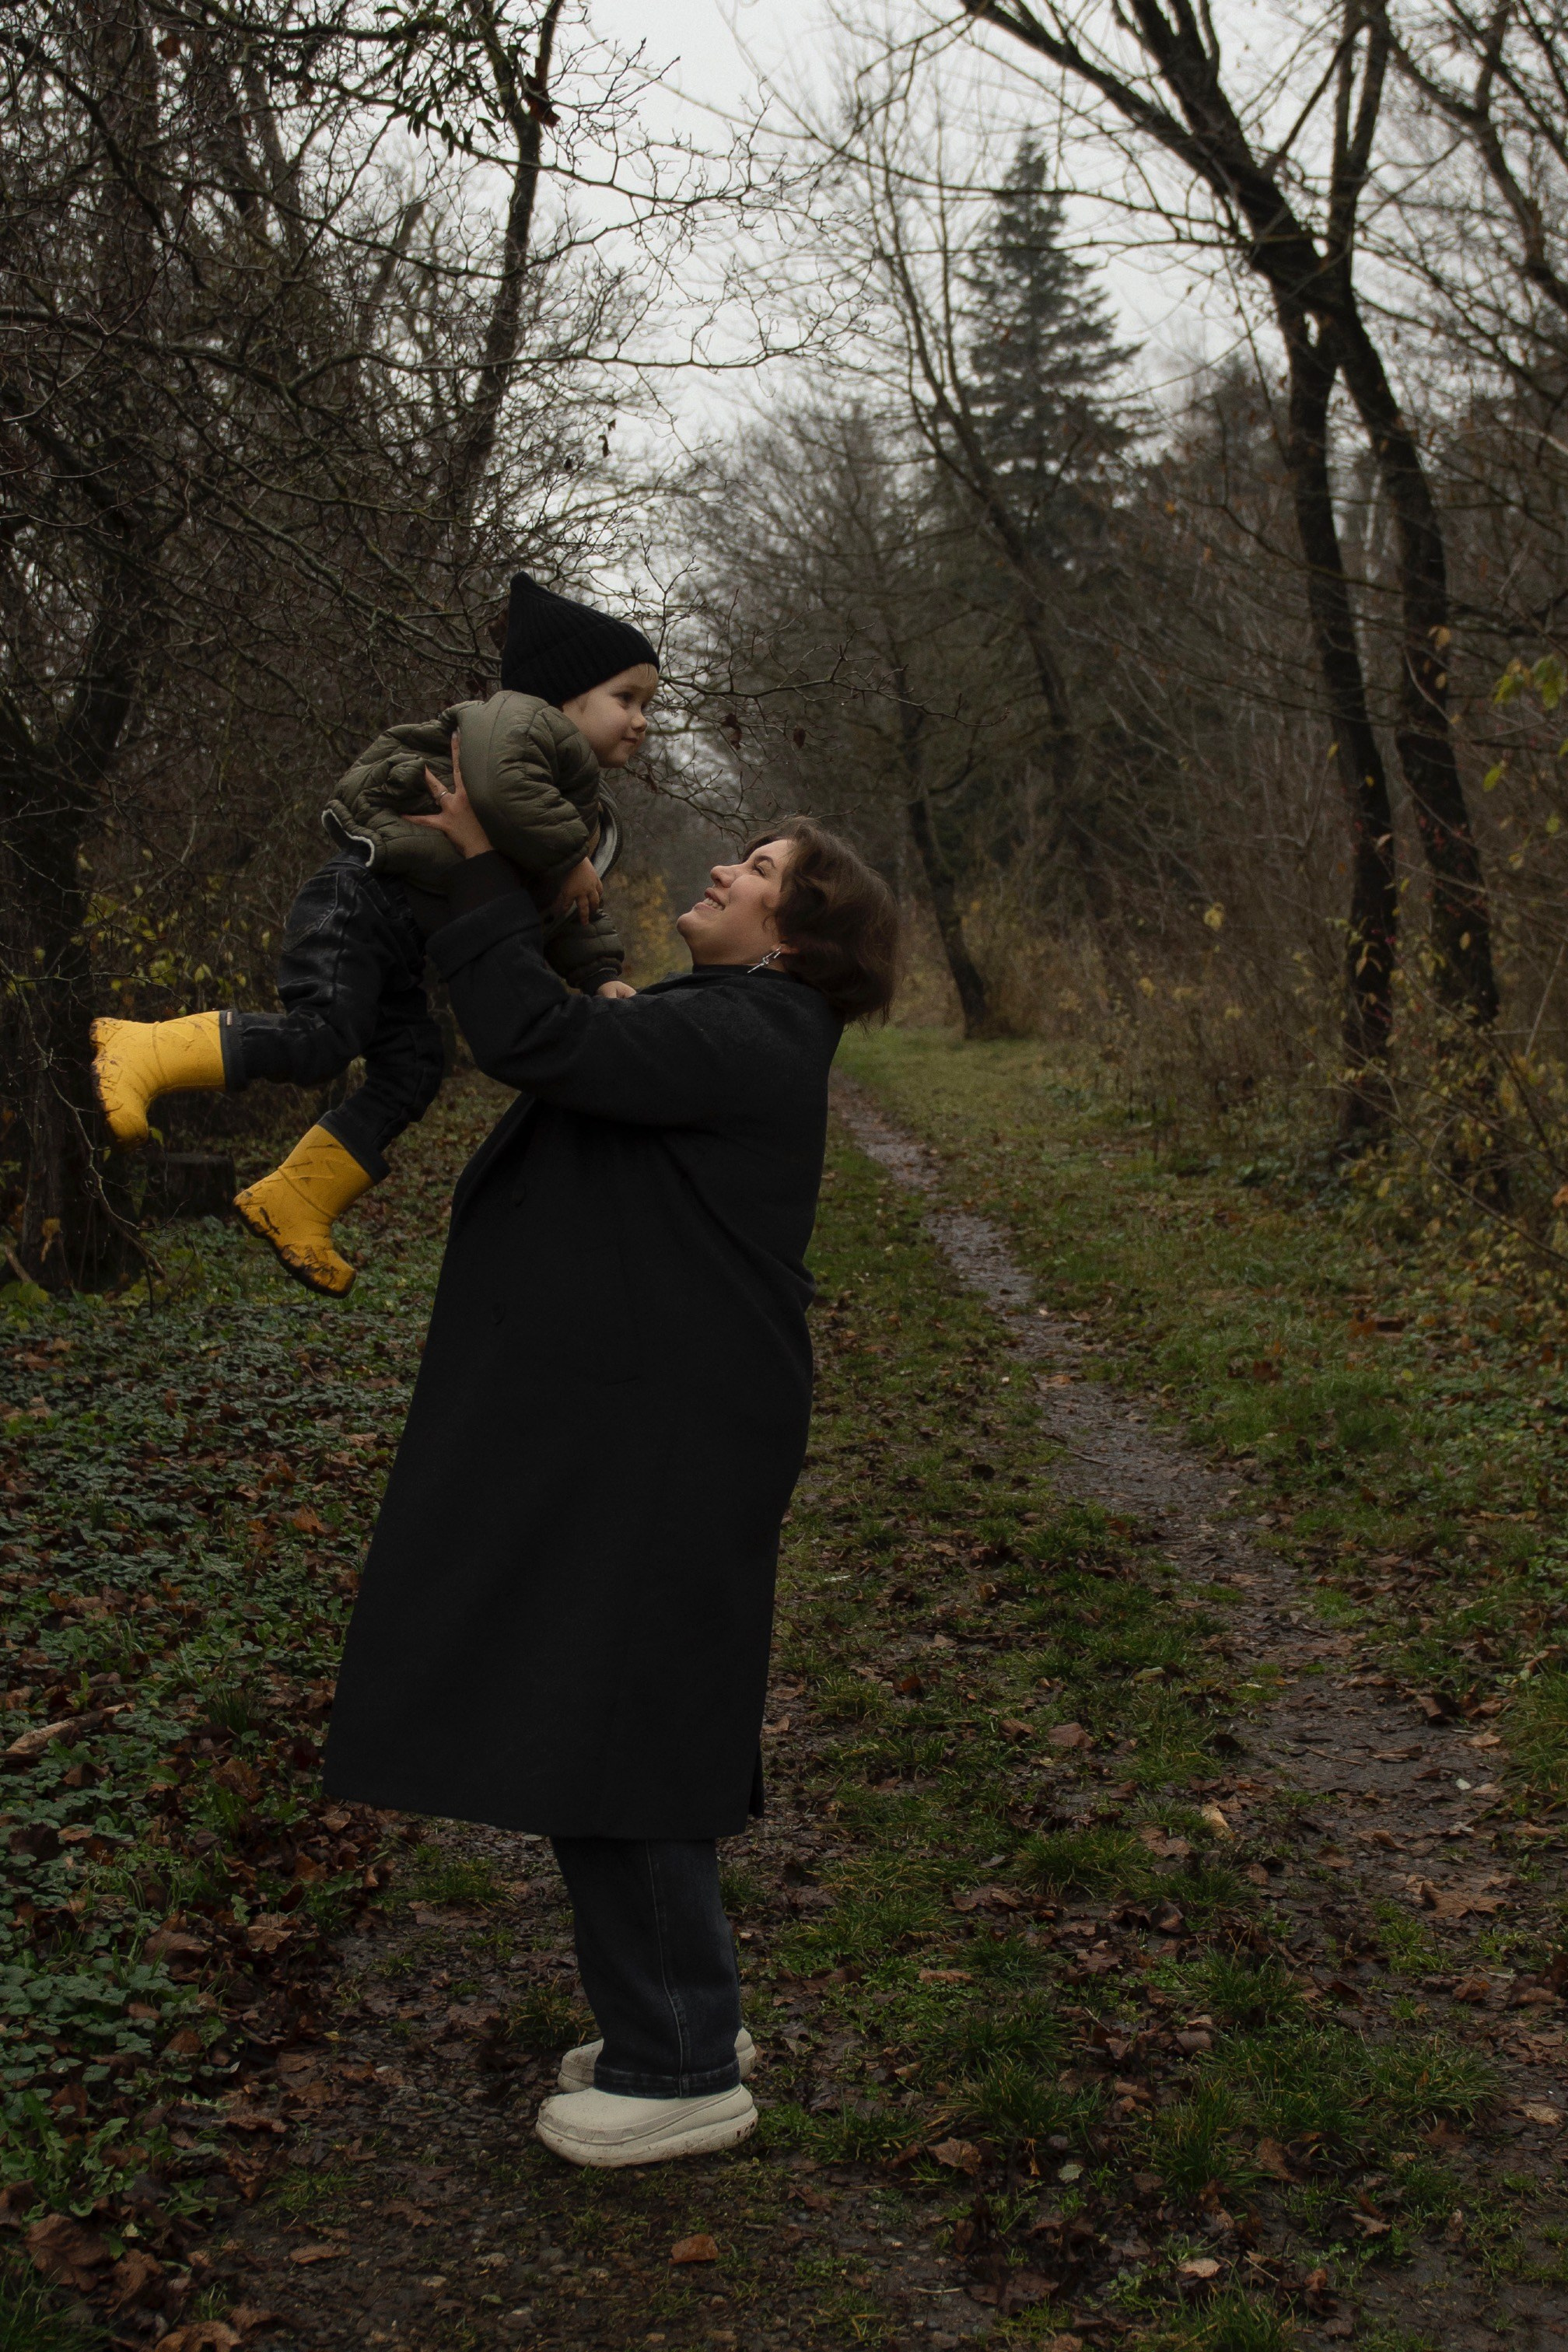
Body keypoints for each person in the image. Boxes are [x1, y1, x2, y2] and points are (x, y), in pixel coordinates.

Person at [321, 754, 899, 2168]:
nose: (724, 870)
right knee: (612, 1709)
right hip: (647, 1425)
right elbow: (580, 1033)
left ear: (800, 939)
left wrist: (474, 864)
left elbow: (531, 1035)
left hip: (670, 1439)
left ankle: (683, 2058)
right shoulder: (729, 1016)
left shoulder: (759, 1032)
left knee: (622, 1725)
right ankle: (679, 2014)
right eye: (743, 854)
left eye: (760, 869)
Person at [89, 573, 658, 1297]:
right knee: (323, 1035)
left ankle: (297, 1198)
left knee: (417, 1067)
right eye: (626, 700)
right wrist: (570, 854)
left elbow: (565, 909)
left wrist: (598, 970)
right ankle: (140, 1049)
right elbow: (496, 786)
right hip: (361, 903)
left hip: (402, 945)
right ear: (565, 695)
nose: (641, 721)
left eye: (648, 706)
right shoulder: (520, 721)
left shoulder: (580, 805)